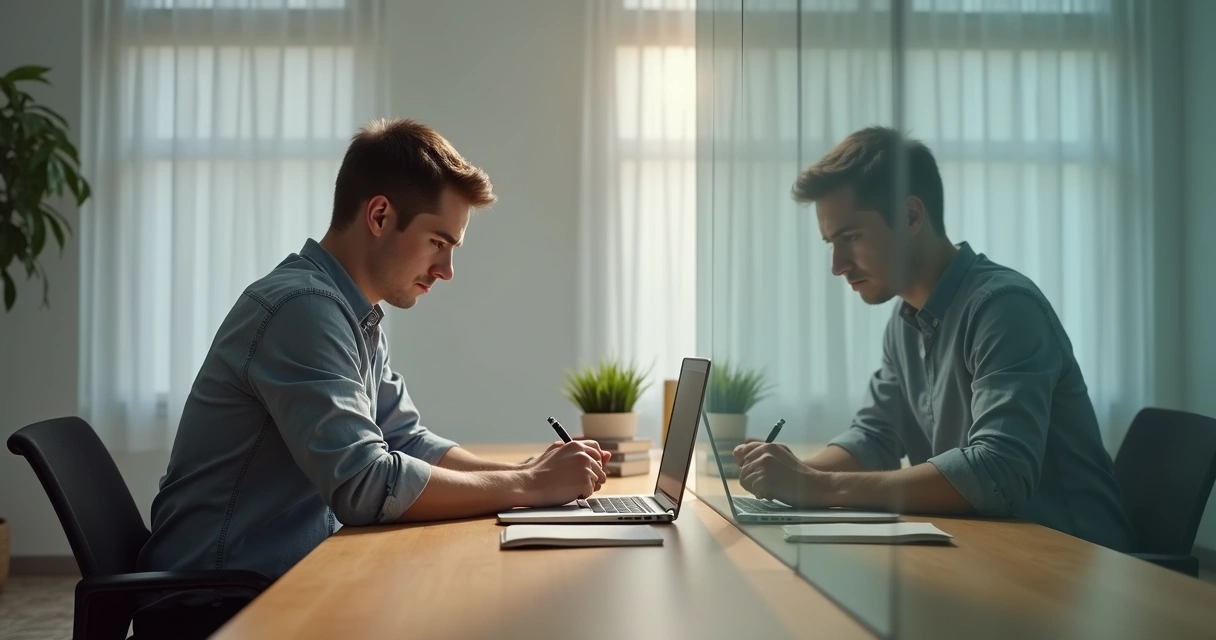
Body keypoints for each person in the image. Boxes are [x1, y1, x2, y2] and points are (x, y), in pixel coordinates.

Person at [134, 118, 610, 638]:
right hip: (215, 607)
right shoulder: (302, 310)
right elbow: (365, 485)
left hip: (271, 584)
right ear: (380, 215)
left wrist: (522, 472)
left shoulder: (350, 314)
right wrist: (527, 486)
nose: (446, 269)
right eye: (438, 242)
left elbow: (406, 439)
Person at [733, 126, 1136, 552]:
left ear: (911, 216)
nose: (838, 264)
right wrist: (793, 474)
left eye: (850, 237)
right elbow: (875, 437)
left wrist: (818, 486)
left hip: (1076, 559)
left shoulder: (1004, 307)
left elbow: (998, 472)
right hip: (992, 552)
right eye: (832, 243)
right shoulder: (905, 321)